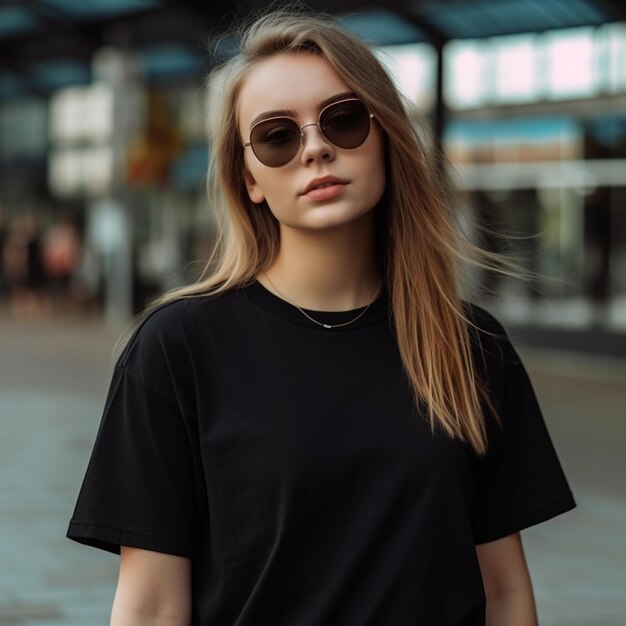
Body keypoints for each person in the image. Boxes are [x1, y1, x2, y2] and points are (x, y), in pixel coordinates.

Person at [67, 9, 576, 626]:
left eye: (344, 119)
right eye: (277, 136)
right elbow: (149, 609)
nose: (316, 148)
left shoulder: (470, 345)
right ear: (248, 176)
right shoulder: (177, 348)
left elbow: (504, 593)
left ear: (386, 135)